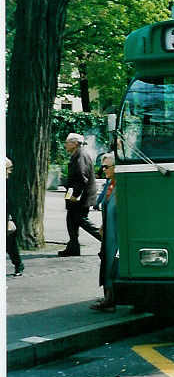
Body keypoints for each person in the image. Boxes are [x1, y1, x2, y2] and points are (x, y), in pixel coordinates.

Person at [59, 133, 101, 256]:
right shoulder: (77, 155)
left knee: (82, 221)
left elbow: (82, 178)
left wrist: (75, 194)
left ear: (75, 143)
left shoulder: (80, 155)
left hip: (80, 197)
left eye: (67, 142)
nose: (65, 145)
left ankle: (106, 240)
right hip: (76, 195)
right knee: (71, 221)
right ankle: (73, 248)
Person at [90, 153, 117, 311]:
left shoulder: (121, 185)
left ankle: (111, 299)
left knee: (113, 264)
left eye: (107, 167)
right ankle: (109, 297)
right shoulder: (110, 184)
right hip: (109, 232)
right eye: (102, 166)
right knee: (107, 263)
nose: (104, 169)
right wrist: (102, 224)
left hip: (117, 234)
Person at [6, 157, 24, 276]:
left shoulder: (9, 183)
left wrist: (9, 219)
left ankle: (18, 264)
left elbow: (10, 202)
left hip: (8, 215)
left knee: (10, 243)